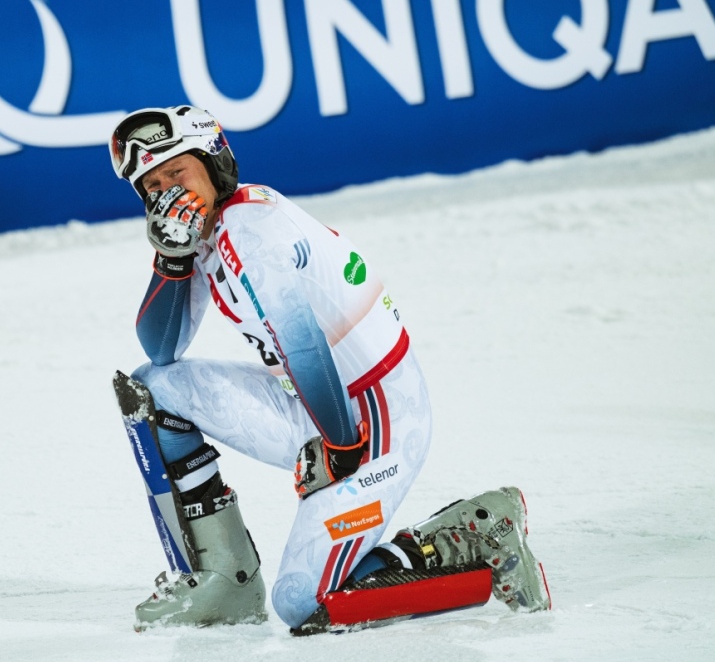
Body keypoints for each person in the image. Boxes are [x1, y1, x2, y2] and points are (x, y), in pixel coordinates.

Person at [108, 105, 551, 634]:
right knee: (154, 390)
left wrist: (340, 449)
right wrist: (171, 261)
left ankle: (472, 538)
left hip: (373, 421)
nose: (168, 195)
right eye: (153, 186)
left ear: (213, 160)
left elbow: (305, 344)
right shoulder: (209, 233)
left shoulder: (249, 229)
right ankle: (225, 579)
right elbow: (161, 349)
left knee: (304, 601)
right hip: (319, 404)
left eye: (176, 173)